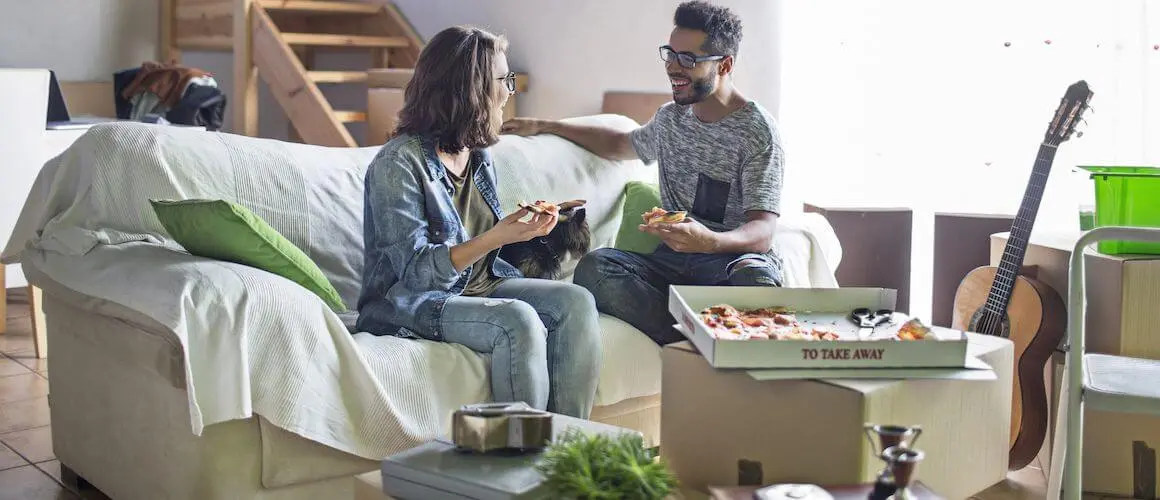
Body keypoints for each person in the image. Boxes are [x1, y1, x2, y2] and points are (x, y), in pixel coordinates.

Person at [501, 1, 784, 346]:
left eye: (688, 59)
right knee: (595, 268)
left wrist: (710, 240)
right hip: (671, 266)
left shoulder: (757, 131)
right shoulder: (670, 119)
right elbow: (620, 144)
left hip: (729, 263)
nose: (673, 68)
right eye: (670, 54)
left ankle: (706, 331)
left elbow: (763, 230)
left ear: (724, 65)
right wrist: (547, 125)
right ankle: (703, 335)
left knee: (756, 277)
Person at [356, 26, 602, 418]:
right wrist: (495, 236)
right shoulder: (398, 164)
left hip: (480, 284)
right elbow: (417, 274)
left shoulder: (477, 155)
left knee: (577, 303)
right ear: (468, 88)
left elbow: (481, 241)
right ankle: (521, 461)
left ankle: (564, 448)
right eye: (503, 80)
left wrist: (527, 226)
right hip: (409, 303)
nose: (509, 91)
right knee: (517, 320)